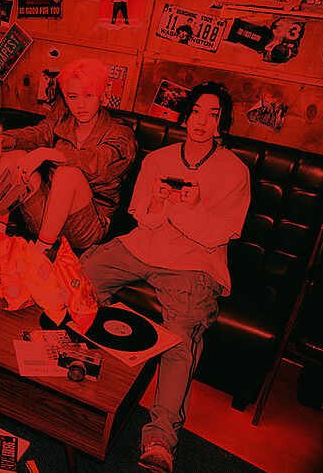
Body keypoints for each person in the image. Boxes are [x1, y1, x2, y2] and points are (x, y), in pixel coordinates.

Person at [79, 82, 251, 472]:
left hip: (195, 261)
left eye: (213, 115)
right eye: (196, 111)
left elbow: (218, 234)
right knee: (82, 275)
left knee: (180, 340)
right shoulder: (158, 159)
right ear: (185, 116)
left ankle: (159, 439)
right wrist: (157, 203)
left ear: (222, 124)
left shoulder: (235, 172)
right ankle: (98, 364)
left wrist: (192, 207)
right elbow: (144, 219)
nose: (202, 121)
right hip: (144, 245)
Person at [0, 58, 136, 255]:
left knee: (67, 174)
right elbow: (36, 134)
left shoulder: (120, 133)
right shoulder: (62, 119)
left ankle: (39, 255)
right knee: (13, 158)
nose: (81, 104)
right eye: (73, 97)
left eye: (88, 95)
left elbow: (96, 160)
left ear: (102, 96)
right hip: (47, 214)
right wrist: (0, 140)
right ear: (65, 98)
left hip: (87, 226)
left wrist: (48, 153)